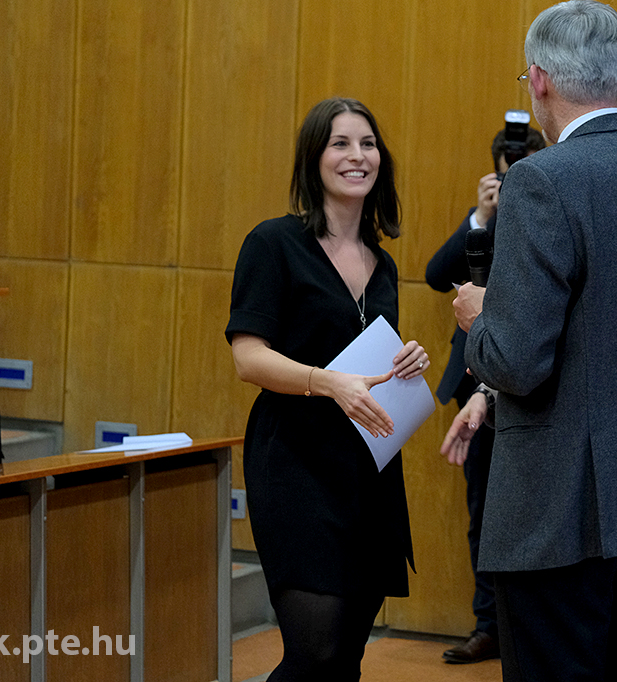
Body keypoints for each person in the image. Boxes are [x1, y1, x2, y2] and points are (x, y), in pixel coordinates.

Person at [443, 2, 617, 680]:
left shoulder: (541, 178)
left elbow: (516, 361)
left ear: (538, 80)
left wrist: (480, 318)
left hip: (556, 511)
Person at [226, 97, 429, 681]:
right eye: (340, 143)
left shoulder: (383, 265)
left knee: (344, 660)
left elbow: (369, 361)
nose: (357, 156)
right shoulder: (273, 243)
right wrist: (327, 383)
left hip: (369, 471)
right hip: (296, 463)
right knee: (314, 652)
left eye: (367, 144)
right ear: (313, 159)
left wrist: (407, 362)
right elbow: (248, 357)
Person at [425, 125, 545, 664]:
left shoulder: (548, 210)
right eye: (506, 163)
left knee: (531, 515)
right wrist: (481, 216)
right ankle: (488, 625)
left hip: (532, 389)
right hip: (476, 385)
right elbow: (437, 275)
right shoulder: (487, 221)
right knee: (484, 512)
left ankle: (526, 631)